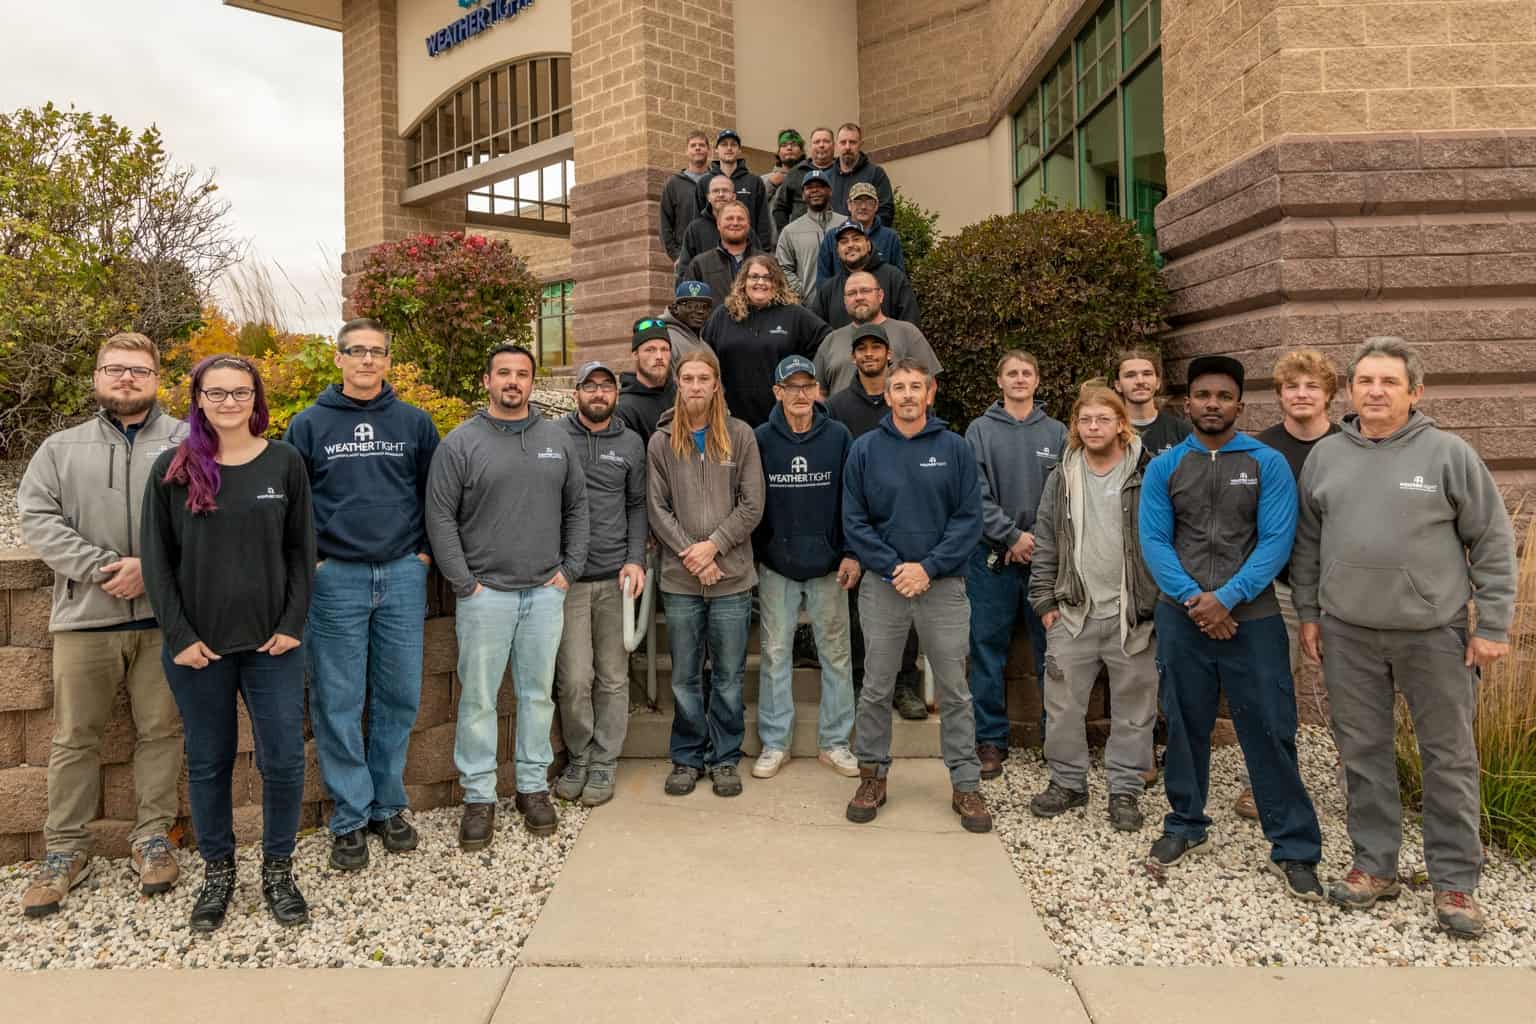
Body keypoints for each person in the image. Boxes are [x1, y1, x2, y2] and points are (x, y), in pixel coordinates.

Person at [1292, 337, 1515, 938]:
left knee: (1449, 760)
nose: (1376, 391)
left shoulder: (1449, 454)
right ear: (1351, 390)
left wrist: (1491, 625)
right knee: (1362, 755)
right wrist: (1310, 613)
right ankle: (1374, 865)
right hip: (1348, 634)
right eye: (1365, 380)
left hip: (1433, 635)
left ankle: (1455, 883)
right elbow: (1309, 544)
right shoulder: (1326, 457)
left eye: (1389, 382)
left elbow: (1491, 541)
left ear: (1415, 391)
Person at [1138, 354, 1324, 902]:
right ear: (1187, 403)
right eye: (1202, 395)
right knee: (1186, 723)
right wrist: (1198, 600)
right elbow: (1154, 540)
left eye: (1223, 397)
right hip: (1184, 617)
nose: (1212, 404)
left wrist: (1228, 599)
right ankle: (1184, 823)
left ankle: (1293, 846)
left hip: (1255, 618)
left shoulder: (1266, 463)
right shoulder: (1165, 467)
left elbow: (1276, 542)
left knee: (1269, 728)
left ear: (1239, 405)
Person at [140, 355, 315, 932]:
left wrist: (292, 623)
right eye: (217, 393)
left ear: (256, 398)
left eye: (241, 392)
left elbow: (299, 552)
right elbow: (158, 565)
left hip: (274, 647)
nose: (230, 402)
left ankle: (277, 868)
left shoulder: (285, 463)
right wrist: (180, 636)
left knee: (285, 761)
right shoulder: (174, 468)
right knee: (210, 762)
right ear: (198, 400)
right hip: (200, 652)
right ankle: (218, 871)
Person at [17, 333, 187, 919]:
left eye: (138, 371)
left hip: (167, 619)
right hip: (85, 617)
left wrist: (155, 570)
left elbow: (212, 518)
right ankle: (65, 850)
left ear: (157, 377)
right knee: (73, 739)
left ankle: (153, 837)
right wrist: (102, 568)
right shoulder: (60, 449)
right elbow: (36, 518)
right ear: (97, 376)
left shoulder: (192, 441)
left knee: (161, 732)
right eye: (115, 369)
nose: (126, 379)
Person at [283, 319, 440, 872]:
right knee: (339, 699)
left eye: (377, 352)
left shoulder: (415, 423)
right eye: (358, 352)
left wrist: (423, 553)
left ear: (388, 360)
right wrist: (316, 562)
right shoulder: (308, 426)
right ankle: (350, 815)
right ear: (339, 358)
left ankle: (387, 806)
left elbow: (434, 495)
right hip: (338, 579)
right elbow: (291, 506)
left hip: (401, 573)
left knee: (398, 697)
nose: (367, 360)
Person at [426, 345, 589, 847]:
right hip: (485, 595)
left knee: (537, 695)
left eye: (522, 374)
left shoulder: (555, 440)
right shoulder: (460, 443)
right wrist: (465, 582)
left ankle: (532, 786)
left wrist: (569, 570)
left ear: (532, 383)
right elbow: (440, 517)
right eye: (504, 374)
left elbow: (577, 508)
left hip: (544, 592)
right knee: (477, 698)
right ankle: (478, 795)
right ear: (487, 380)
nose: (513, 382)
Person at [842, 358, 992, 833]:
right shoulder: (865, 450)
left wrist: (927, 568)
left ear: (930, 394)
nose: (907, 395)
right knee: (876, 687)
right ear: (886, 396)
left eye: (915, 387)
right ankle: (872, 775)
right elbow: (855, 521)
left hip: (942, 586)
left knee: (954, 689)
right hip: (883, 587)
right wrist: (893, 568)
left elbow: (969, 518)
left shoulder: (955, 447)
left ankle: (965, 783)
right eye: (898, 388)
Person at [1028, 385, 1158, 831]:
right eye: (1086, 420)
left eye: (1103, 419)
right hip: (1074, 610)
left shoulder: (1147, 472)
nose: (1094, 427)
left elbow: (1166, 538)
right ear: (1075, 427)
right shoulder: (1062, 476)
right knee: (1063, 704)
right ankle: (1068, 781)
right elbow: (1045, 540)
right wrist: (1045, 601)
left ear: (1121, 423)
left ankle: (1125, 788)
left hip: (1131, 613)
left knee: (1134, 706)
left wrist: (1156, 602)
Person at [1229, 348, 1343, 821]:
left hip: (1340, 594)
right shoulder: (1258, 449)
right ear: (1278, 395)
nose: (1301, 394)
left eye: (1311, 386)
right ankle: (1269, 786)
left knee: (1351, 698)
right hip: (1276, 590)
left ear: (1329, 396)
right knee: (1271, 691)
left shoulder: (1351, 446)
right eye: (1292, 386)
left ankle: (1359, 793)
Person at [647, 349, 764, 798]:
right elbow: (656, 507)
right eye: (688, 378)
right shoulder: (661, 441)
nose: (696, 386)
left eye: (704, 378)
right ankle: (687, 756)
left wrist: (713, 547)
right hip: (680, 580)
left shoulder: (741, 436)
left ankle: (725, 757)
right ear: (679, 384)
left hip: (732, 578)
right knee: (684, 675)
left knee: (730, 675)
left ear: (717, 385)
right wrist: (690, 554)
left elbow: (752, 504)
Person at [751, 355, 860, 781]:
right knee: (775, 654)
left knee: (836, 654)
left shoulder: (838, 437)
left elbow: (851, 500)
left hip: (828, 565)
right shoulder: (761, 439)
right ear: (777, 392)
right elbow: (752, 501)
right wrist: (763, 551)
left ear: (817, 389)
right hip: (777, 564)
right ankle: (775, 742)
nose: (800, 394)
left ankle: (835, 742)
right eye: (791, 387)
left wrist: (850, 551)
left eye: (807, 385)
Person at [964, 350, 1067, 778]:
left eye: (1027, 372)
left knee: (1054, 652)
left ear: (1037, 380)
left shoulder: (1059, 432)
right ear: (1000, 381)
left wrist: (1038, 543)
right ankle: (990, 740)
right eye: (1012, 373)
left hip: (1047, 562)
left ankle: (1056, 741)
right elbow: (975, 494)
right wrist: (1011, 536)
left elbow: (1066, 494)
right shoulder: (980, 431)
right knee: (987, 651)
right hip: (994, 560)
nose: (1020, 379)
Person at [553, 361, 648, 808]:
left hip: (615, 578)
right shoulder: (553, 437)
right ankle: (580, 754)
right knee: (574, 678)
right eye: (589, 386)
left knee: (611, 677)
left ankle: (606, 758)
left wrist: (635, 559)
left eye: (605, 387)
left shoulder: (630, 443)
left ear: (615, 394)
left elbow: (637, 505)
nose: (597, 394)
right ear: (576, 393)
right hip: (566, 580)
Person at [825, 324, 927, 717]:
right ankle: (858, 679)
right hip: (856, 526)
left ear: (889, 355)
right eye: (862, 349)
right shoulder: (837, 407)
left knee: (907, 607)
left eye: (876, 349)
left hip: (902, 521)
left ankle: (904, 684)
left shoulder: (903, 399)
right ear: (853, 358)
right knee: (855, 611)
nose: (869, 355)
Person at [700, 254, 829, 428]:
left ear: (776, 283)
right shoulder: (723, 315)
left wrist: (813, 385)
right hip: (729, 419)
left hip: (780, 421)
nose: (760, 282)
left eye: (768, 277)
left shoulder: (794, 315)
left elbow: (828, 342)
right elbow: (704, 357)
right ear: (743, 281)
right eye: (754, 277)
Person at [815, 271, 940, 395]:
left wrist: (919, 414)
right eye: (852, 293)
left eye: (865, 290)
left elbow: (930, 385)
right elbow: (818, 393)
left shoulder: (907, 332)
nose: (859, 297)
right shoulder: (831, 340)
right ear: (845, 301)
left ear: (880, 296)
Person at [808, 223, 919, 331]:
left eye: (856, 239)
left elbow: (910, 324)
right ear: (837, 251)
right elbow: (816, 333)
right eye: (844, 241)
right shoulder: (828, 289)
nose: (850, 245)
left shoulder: (894, 278)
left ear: (868, 245)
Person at [692, 129, 772, 252]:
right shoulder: (704, 182)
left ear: (739, 150)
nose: (729, 148)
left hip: (747, 253)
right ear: (716, 149)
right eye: (724, 144)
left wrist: (764, 253)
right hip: (710, 251)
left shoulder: (754, 182)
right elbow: (697, 219)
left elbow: (763, 223)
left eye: (733, 144)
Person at [774, 168, 846, 299]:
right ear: (802, 195)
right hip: (809, 307)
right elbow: (782, 268)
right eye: (809, 187)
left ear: (830, 191)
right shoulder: (790, 231)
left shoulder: (846, 224)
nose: (815, 190)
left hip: (845, 303)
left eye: (820, 186)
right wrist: (801, 293)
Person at [815, 182, 905, 281]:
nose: (863, 207)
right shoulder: (833, 236)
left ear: (876, 206)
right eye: (857, 202)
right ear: (849, 205)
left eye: (869, 202)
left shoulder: (890, 237)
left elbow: (899, 279)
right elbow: (823, 279)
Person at [1112, 348, 1190, 456]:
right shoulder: (1108, 430)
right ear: (1118, 385)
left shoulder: (1182, 431)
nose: (1140, 381)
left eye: (1147, 374)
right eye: (1130, 375)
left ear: (1158, 382)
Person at [682, 200, 762, 305]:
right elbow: (688, 307)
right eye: (729, 218)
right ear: (718, 225)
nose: (735, 223)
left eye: (740, 219)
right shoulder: (699, 265)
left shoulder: (767, 262)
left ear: (748, 225)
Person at [618, 317, 677, 444]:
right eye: (650, 350)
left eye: (664, 349)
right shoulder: (624, 408)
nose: (659, 356)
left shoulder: (682, 394)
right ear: (635, 355)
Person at [660, 129, 713, 262]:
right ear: (687, 151)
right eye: (693, 145)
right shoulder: (673, 184)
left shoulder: (717, 181)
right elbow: (664, 223)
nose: (697, 148)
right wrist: (676, 256)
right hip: (685, 256)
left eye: (701, 145)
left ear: (708, 150)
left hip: (715, 253)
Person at [675, 174, 740, 281]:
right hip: (705, 295)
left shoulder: (743, 227)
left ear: (734, 196)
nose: (720, 194)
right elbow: (684, 270)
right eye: (715, 191)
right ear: (708, 197)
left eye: (725, 190)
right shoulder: (695, 229)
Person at [828, 122, 895, 227]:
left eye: (852, 142)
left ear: (860, 144)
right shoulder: (827, 178)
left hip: (866, 240)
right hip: (832, 240)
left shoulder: (875, 174)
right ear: (836, 145)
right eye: (843, 142)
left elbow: (885, 212)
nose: (848, 147)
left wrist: (864, 236)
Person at [771, 126, 837, 232]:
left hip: (838, 237)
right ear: (811, 146)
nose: (821, 145)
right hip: (802, 237)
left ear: (834, 145)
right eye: (817, 142)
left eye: (826, 141)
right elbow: (780, 208)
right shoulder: (795, 172)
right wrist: (787, 236)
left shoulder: (843, 171)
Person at [660, 279, 713, 367]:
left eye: (705, 307)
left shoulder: (706, 347)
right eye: (691, 306)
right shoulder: (666, 340)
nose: (700, 311)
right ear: (676, 308)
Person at [760, 128, 804, 211]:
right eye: (784, 145)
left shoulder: (808, 180)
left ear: (802, 152)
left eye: (794, 145)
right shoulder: (763, 180)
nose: (789, 148)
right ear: (778, 152)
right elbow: (752, 207)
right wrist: (770, 185)